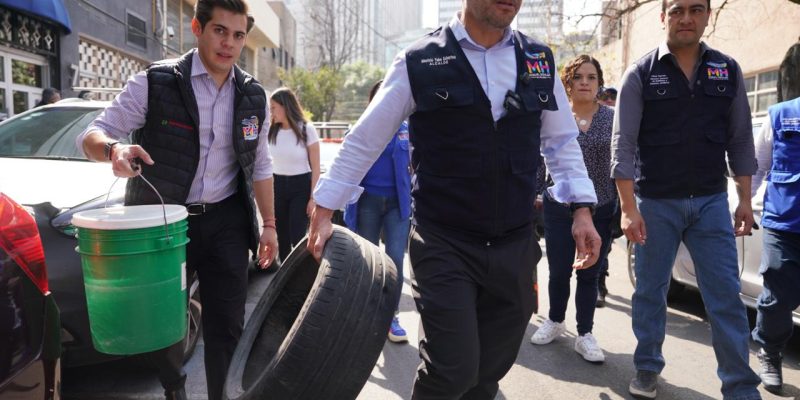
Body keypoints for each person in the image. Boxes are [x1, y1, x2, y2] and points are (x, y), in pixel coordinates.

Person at [307, 0, 602, 398]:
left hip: (514, 245)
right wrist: (325, 209)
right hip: (444, 243)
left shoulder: (539, 60)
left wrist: (581, 209)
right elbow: (365, 138)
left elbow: (562, 142)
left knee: (488, 374)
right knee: (452, 371)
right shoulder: (419, 60)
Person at [74, 1, 277, 399]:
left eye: (238, 35)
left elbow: (261, 166)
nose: (229, 44)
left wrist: (269, 225)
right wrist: (113, 150)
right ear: (197, 28)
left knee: (228, 324)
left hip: (227, 224)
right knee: (164, 322)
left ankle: (221, 393)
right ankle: (175, 387)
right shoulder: (156, 82)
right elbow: (93, 133)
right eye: (220, 31)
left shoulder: (253, 96)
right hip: (164, 226)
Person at [611, 0, 762, 398]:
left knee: (725, 296)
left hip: (711, 202)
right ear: (663, 17)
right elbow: (622, 146)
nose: (686, 18)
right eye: (677, 10)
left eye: (696, 9)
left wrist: (745, 199)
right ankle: (647, 367)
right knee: (650, 290)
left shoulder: (725, 70)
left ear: (707, 16)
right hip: (656, 203)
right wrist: (629, 209)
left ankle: (740, 386)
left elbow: (741, 139)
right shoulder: (641, 73)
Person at [530, 55, 617, 364]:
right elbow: (542, 157)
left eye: (591, 77)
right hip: (558, 205)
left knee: (590, 273)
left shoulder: (611, 118)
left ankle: (585, 333)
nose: (584, 82)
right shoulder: (555, 116)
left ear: (598, 83)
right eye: (578, 77)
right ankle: (554, 320)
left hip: (602, 206)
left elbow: (622, 160)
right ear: (566, 83)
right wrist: (536, 192)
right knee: (559, 270)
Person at [344, 80, 412, 343]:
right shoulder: (361, 128)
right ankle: (368, 314)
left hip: (398, 205)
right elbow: (347, 164)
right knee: (369, 262)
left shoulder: (407, 130)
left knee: (395, 260)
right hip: (367, 203)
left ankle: (390, 317)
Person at [749, 95, 800, 393]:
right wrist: (744, 202)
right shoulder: (781, 115)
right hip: (785, 224)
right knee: (777, 298)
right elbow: (758, 166)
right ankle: (769, 351)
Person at [268, 87, 320, 264]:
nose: (271, 112)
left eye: (274, 107)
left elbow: (316, 167)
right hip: (277, 186)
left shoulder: (307, 129)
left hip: (301, 186)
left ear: (285, 106)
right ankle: (283, 275)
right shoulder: (271, 131)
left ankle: (299, 273)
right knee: (281, 234)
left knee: (297, 235)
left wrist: (313, 198)